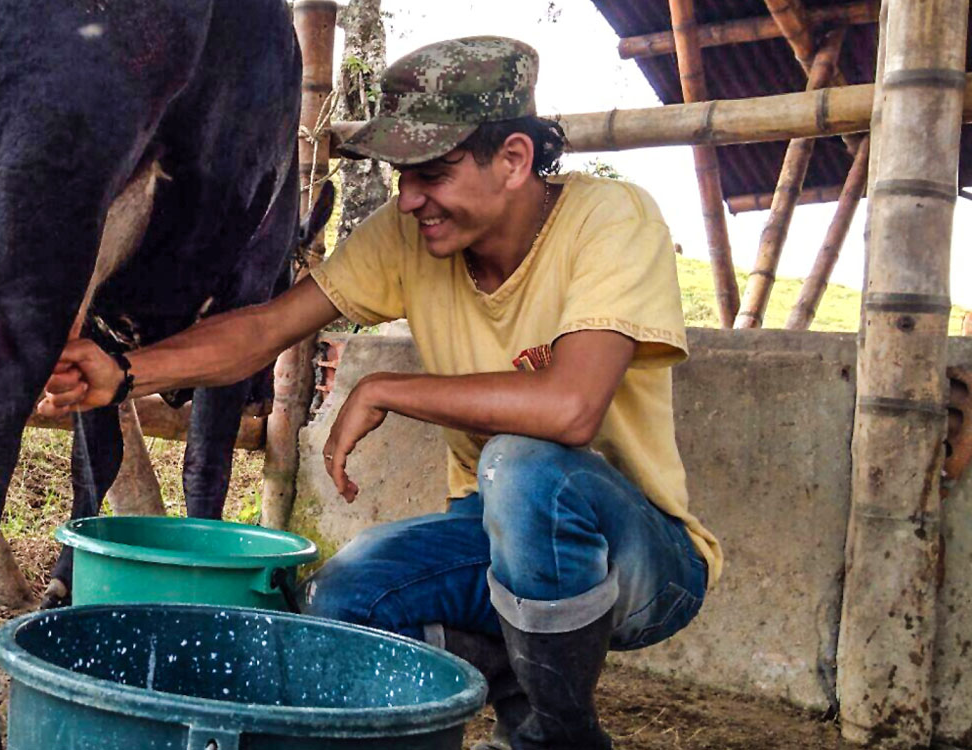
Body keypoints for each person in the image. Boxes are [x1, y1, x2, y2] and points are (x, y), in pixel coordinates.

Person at [40, 36, 722, 750]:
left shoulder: (611, 219)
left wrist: (390, 388)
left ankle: (558, 739)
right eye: (403, 176)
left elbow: (570, 408)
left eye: (432, 173)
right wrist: (125, 368)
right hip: (490, 539)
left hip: (647, 561)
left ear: (515, 159)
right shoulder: (410, 239)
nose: (411, 200)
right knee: (345, 596)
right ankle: (514, 688)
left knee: (525, 468)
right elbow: (267, 328)